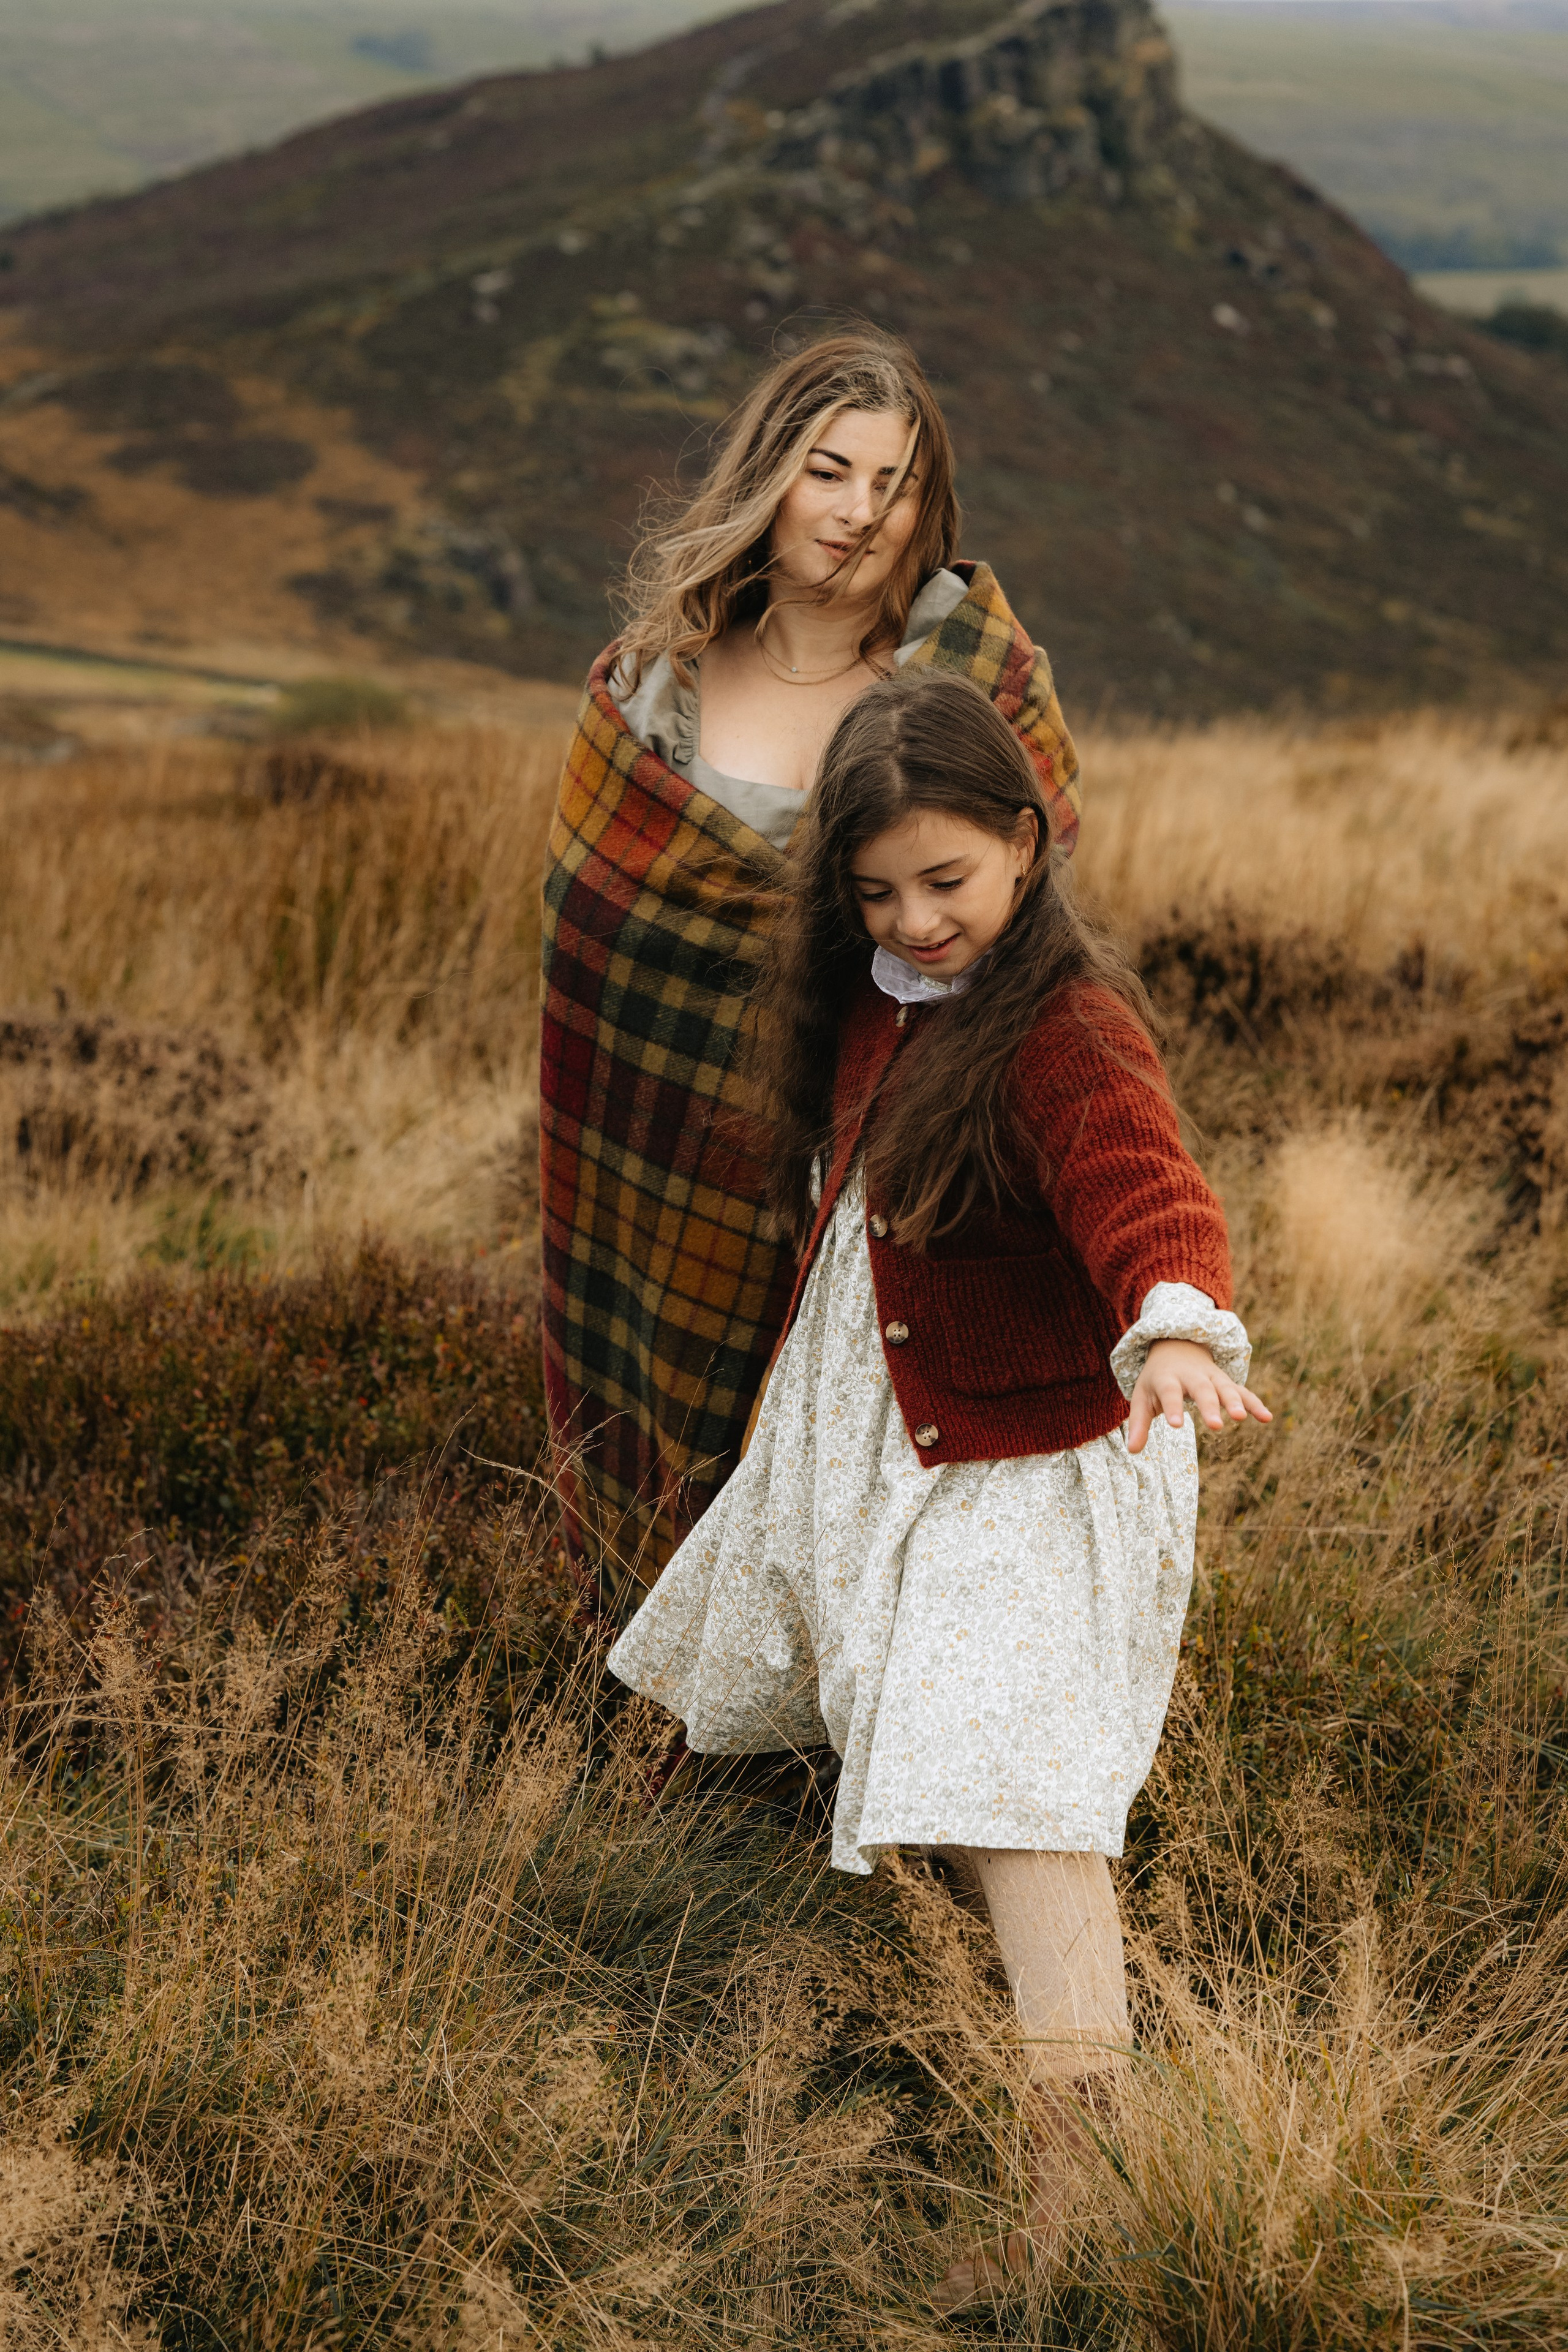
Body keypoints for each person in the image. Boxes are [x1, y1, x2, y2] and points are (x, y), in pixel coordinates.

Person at [606, 668, 1272, 2304]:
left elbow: (1140, 1185)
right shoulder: (869, 998)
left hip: (1032, 1459)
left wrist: (1173, 1326)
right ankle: (952, 2030)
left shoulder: (1064, 1026)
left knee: (1025, 1808)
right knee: (936, 1757)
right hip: (894, 1440)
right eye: (880, 888)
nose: (920, 915)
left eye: (950, 880)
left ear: (1028, 848)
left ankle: (1079, 2207)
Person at [539, 330, 1080, 1595]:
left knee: (850, 1449)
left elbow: (1021, 925)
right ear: (767, 478)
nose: (854, 515)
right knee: (669, 1421)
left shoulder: (972, 686)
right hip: (668, 1158)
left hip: (888, 1157)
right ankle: (662, 1694)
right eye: (825, 472)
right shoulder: (647, 688)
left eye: (888, 485)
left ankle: (843, 1726)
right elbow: (597, 950)